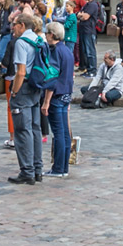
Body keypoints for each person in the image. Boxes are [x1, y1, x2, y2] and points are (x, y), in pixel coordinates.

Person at [7, 8, 47, 184]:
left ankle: (27, 171)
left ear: (22, 25)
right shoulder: (39, 39)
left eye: (14, 25)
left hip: (23, 87)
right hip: (36, 86)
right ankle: (37, 169)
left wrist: (14, 92)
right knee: (35, 129)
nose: (12, 28)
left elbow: (20, 72)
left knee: (23, 131)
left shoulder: (21, 42)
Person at [41, 20, 75, 175]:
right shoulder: (67, 50)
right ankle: (64, 167)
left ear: (52, 35)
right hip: (66, 93)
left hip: (56, 95)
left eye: (47, 33)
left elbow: (52, 77)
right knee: (65, 133)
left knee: (59, 133)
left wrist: (46, 102)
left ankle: (58, 167)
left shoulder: (55, 51)